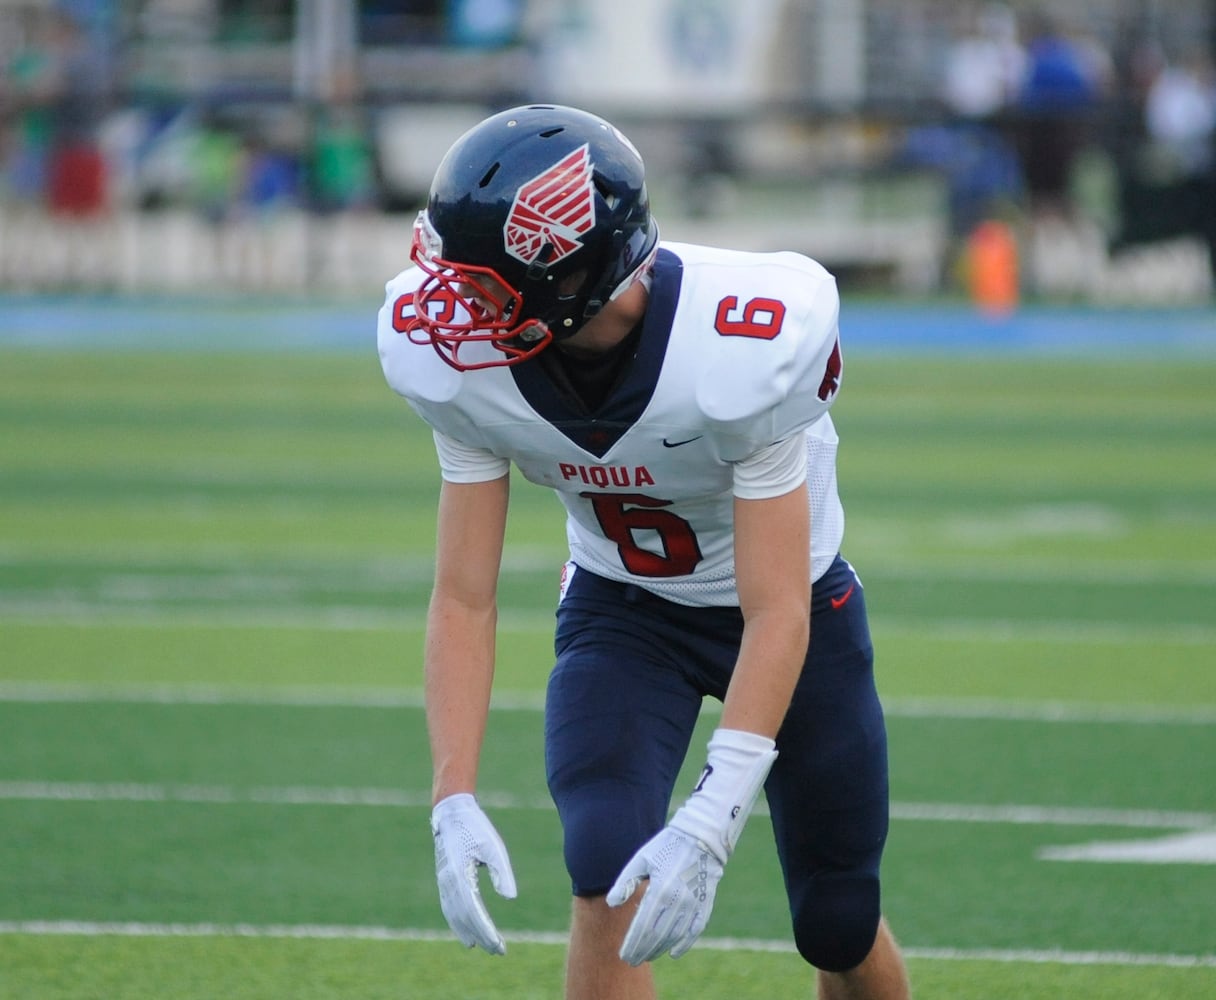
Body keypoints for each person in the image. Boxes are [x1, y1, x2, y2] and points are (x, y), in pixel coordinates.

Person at [377, 104, 911, 1000]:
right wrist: (451, 794)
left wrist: (714, 815)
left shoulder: (741, 345)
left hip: (793, 615)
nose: (451, 309)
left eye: (482, 286)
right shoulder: (460, 363)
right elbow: (464, 594)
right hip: (623, 609)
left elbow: (775, 608)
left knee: (837, 919)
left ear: (569, 277)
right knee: (603, 865)